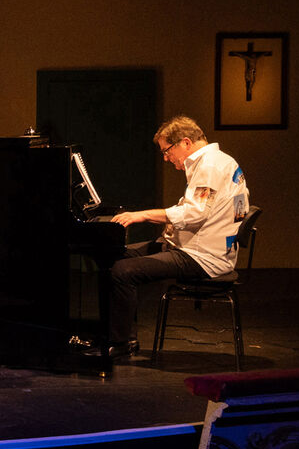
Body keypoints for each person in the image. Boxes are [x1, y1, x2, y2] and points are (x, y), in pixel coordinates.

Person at [103, 115, 250, 357]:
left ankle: (120, 345)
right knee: (116, 256)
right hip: (194, 247)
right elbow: (201, 208)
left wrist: (142, 215)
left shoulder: (210, 166)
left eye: (167, 150)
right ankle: (118, 335)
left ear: (185, 143)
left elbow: (195, 212)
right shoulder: (213, 162)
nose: (165, 158)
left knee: (122, 271)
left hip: (202, 257)